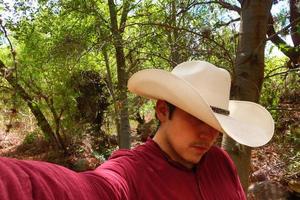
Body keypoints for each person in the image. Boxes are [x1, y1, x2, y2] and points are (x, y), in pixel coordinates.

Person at [0, 61, 274, 200]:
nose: (208, 134)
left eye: (215, 125)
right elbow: (90, 189)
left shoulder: (220, 162)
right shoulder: (130, 173)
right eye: (196, 119)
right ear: (163, 110)